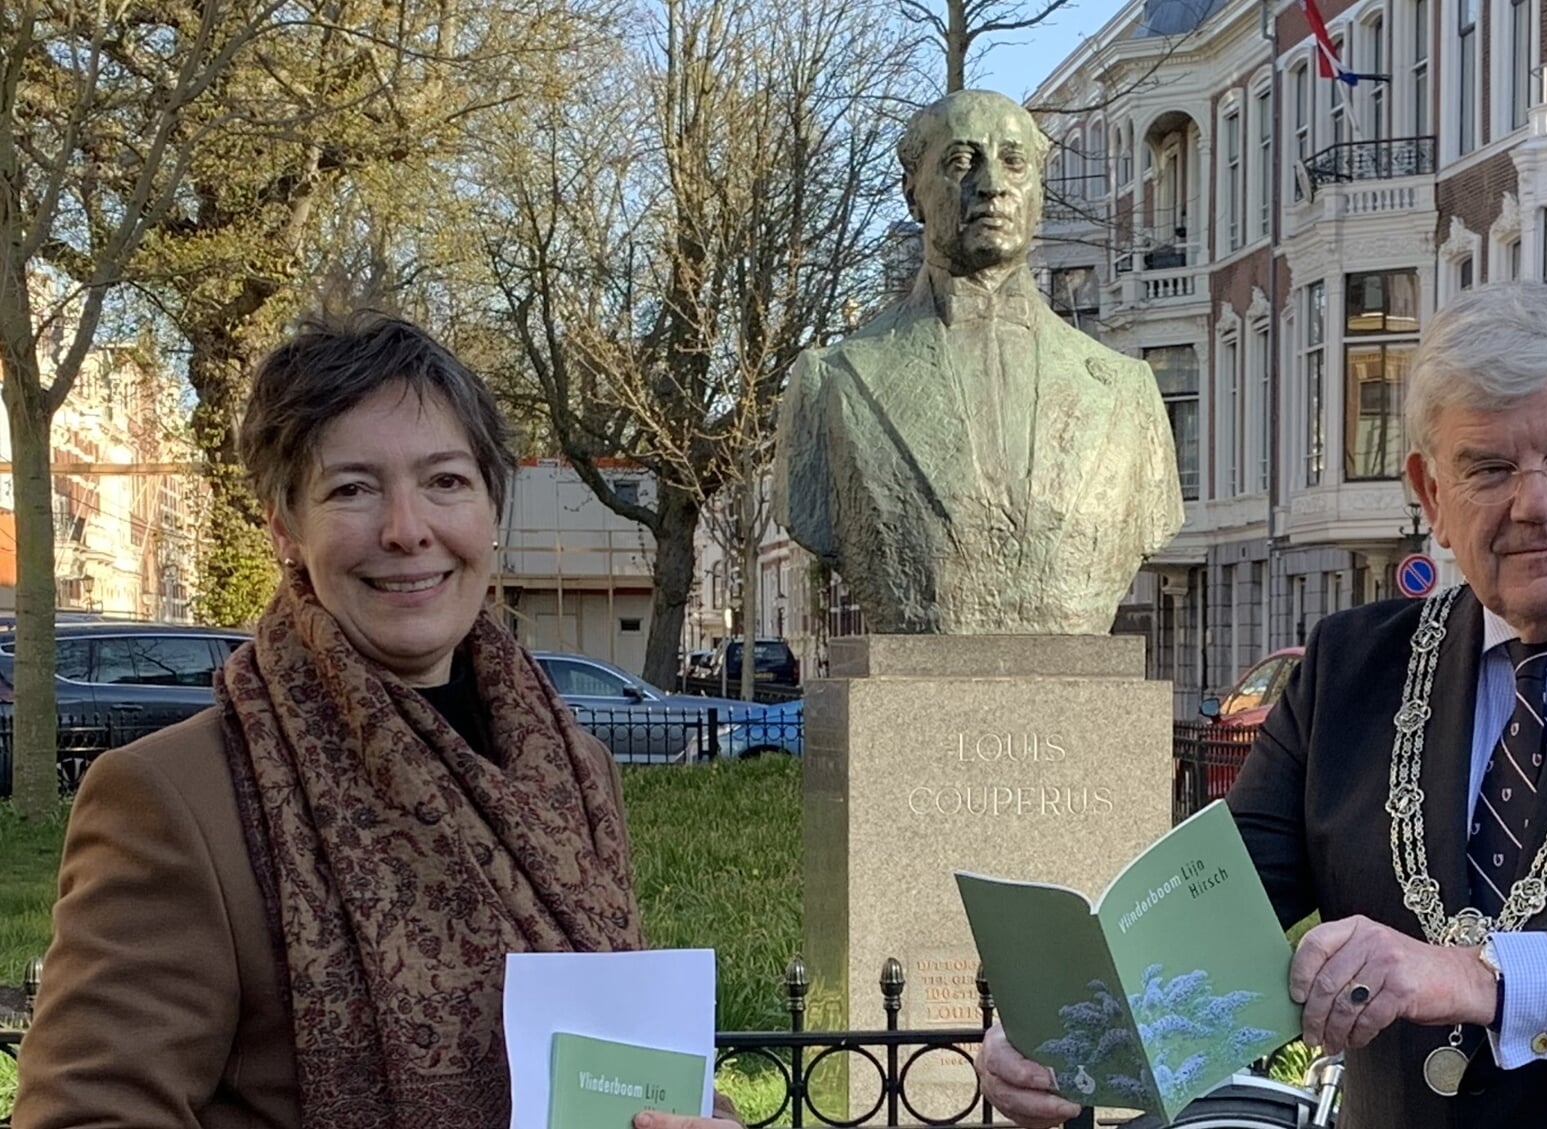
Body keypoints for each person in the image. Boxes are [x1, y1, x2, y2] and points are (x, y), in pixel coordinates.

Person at [977, 283, 1547, 1127]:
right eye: (1489, 467)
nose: (1537, 502)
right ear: (1430, 494)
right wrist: (1067, 1025)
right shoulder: (1353, 667)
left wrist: (1474, 976)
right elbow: (1226, 898)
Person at [14, 312, 740, 1129]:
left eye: (446, 481)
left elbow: (612, 1057)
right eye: (353, 488)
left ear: (491, 512)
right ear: (285, 526)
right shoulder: (176, 800)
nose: (406, 529)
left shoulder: (575, 770)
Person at [771, 89, 1183, 635]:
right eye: (961, 162)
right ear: (912, 194)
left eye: (1014, 162)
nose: (991, 185)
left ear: (1038, 190)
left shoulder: (1126, 392)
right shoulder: (833, 383)